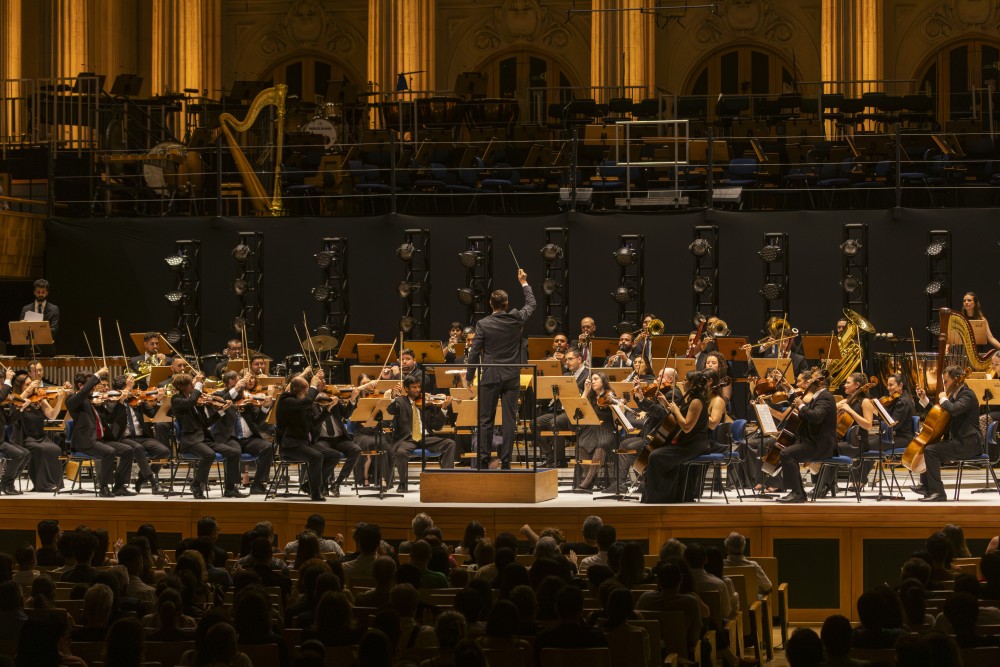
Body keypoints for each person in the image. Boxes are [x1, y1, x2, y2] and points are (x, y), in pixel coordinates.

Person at [464, 268, 535, 469]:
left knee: (486, 419)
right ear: (506, 304)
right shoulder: (516, 319)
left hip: (490, 374)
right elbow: (532, 303)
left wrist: (469, 376)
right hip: (512, 375)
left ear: (490, 304)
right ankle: (505, 461)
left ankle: (485, 460)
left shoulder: (483, 323)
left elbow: (475, 352)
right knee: (509, 419)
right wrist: (523, 282)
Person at [171, 371, 245, 499]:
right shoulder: (177, 400)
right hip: (191, 441)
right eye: (191, 385)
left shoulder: (197, 404)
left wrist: (222, 411)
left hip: (204, 439)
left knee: (234, 452)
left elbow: (206, 423)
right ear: (182, 386)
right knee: (209, 455)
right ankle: (197, 485)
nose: (193, 387)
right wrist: (199, 384)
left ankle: (230, 488)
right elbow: (190, 401)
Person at [642, 371, 712, 504]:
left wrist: (676, 410)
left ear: (692, 384)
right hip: (686, 443)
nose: (683, 382)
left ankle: (661, 496)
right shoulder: (691, 399)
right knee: (656, 454)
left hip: (694, 445)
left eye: (685, 380)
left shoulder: (697, 402)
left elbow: (687, 426)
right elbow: (679, 417)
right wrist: (665, 405)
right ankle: (668, 494)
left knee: (656, 456)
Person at [914, 365, 981, 502]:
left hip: (968, 444)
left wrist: (944, 399)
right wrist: (925, 400)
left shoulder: (967, 394)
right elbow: (938, 416)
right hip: (959, 442)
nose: (944, 385)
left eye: (946, 381)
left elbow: (954, 410)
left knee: (931, 451)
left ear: (956, 380)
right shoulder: (954, 396)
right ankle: (926, 487)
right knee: (930, 445)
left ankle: (938, 493)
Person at [66, 367, 136, 497]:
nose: (94, 388)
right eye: (91, 385)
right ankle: (104, 487)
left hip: (101, 440)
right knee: (109, 452)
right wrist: (97, 375)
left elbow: (110, 418)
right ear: (81, 385)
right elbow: (82, 393)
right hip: (85, 441)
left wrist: (120, 402)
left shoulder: (95, 401)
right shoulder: (73, 400)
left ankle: (119, 486)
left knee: (128, 450)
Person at [776, 369, 838, 504]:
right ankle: (798, 492)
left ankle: (797, 493)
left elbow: (816, 417)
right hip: (811, 440)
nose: (809, 381)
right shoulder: (818, 396)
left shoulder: (826, 397)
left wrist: (802, 406)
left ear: (820, 382)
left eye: (812, 379)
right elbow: (802, 402)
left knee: (787, 454)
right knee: (781, 448)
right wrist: (789, 390)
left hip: (820, 444)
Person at [386, 374, 456, 491]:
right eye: (414, 387)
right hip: (408, 438)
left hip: (425, 437)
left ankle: (446, 480)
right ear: (406, 389)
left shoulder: (427, 403)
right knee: (401, 452)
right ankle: (403, 483)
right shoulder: (400, 401)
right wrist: (393, 396)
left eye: (419, 387)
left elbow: (437, 427)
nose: (418, 390)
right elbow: (391, 410)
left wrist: (443, 408)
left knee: (450, 443)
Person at [276, 372, 339, 501]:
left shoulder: (301, 402)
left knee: (334, 455)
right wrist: (314, 386)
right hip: (290, 446)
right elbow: (308, 401)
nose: (306, 394)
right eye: (305, 391)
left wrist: (328, 409)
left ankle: (309, 486)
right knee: (316, 456)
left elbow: (314, 424)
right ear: (295, 390)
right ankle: (315, 493)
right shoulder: (286, 400)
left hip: (304, 444)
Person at [104, 373, 169, 493]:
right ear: (121, 390)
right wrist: (122, 397)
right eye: (129, 388)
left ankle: (142, 478)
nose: (133, 391)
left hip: (141, 436)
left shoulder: (137, 399)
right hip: (122, 437)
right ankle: (153, 482)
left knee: (164, 451)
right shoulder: (112, 401)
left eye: (132, 388)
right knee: (138, 448)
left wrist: (159, 400)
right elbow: (111, 418)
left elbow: (152, 414)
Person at [212, 370, 274, 495]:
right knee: (234, 452)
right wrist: (235, 389)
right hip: (230, 438)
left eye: (239, 385)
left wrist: (265, 407)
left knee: (267, 447)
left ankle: (258, 485)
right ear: (226, 385)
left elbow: (258, 422)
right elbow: (222, 402)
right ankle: (230, 487)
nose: (238, 388)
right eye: (233, 385)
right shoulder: (220, 396)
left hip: (248, 439)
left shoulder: (246, 398)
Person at [535, 348, 588, 468]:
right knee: (535, 423)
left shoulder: (588, 374)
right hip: (561, 410)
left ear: (579, 359)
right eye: (566, 360)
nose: (567, 362)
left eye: (570, 359)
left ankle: (560, 460)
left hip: (575, 412)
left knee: (555, 422)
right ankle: (549, 455)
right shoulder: (566, 375)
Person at [7, 370, 59, 492]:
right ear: (20, 387)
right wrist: (29, 389)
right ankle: (42, 485)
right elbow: (16, 403)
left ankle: (54, 483)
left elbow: (52, 415)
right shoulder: (15, 399)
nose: (31, 387)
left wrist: (60, 399)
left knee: (55, 449)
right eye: (27, 384)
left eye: (31, 384)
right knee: (40, 450)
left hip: (40, 437)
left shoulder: (39, 398)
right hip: (25, 438)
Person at [311, 390, 362, 497]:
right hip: (322, 439)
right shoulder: (312, 407)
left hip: (339, 439)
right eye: (322, 401)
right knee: (328, 453)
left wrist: (352, 398)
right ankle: (323, 484)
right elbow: (314, 424)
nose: (325, 402)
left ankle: (337, 483)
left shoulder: (335, 403)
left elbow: (347, 415)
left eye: (326, 400)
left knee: (356, 450)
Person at [576, 372, 618, 490]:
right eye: (591, 379)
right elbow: (579, 408)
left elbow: (616, 418)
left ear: (603, 381)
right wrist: (585, 391)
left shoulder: (610, 395)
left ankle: (587, 481)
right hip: (592, 428)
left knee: (601, 445)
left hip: (606, 428)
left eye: (596, 379)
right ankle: (592, 477)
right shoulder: (590, 397)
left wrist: (617, 406)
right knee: (580, 445)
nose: (592, 381)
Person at [20, 278, 59, 352]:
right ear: (34, 292)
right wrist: (21, 325)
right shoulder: (26, 309)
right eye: (38, 292)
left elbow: (54, 330)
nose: (40, 294)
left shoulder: (54, 309)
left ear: (47, 293)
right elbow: (22, 331)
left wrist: (35, 330)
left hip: (48, 349)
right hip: (30, 350)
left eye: (43, 292)